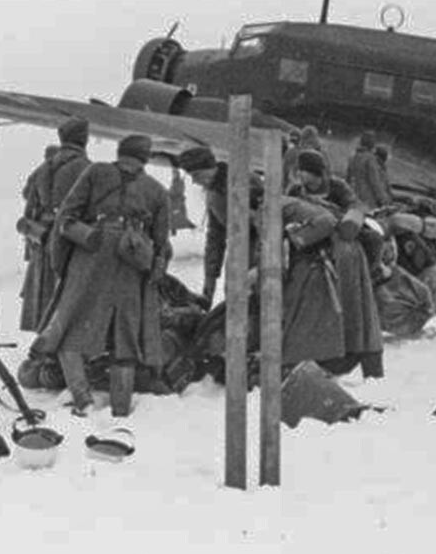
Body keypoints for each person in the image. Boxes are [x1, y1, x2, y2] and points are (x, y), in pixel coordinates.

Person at [33, 134, 171, 417]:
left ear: (119, 151)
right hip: (131, 263)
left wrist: (63, 263)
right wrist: (152, 274)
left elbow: (66, 219)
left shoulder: (94, 172)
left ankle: (83, 401)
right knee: (126, 336)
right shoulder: (157, 190)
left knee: (69, 329)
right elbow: (161, 244)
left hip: (89, 258)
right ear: (144, 159)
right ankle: (120, 409)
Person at [289, 149, 384, 378]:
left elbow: (355, 205)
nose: (302, 176)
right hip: (311, 237)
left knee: (373, 238)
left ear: (319, 173)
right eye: (300, 171)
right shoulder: (295, 191)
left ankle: (374, 271)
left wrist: (349, 221)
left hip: (341, 234)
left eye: (307, 172)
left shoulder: (337, 186)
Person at [17, 117, 92, 332]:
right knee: (72, 318)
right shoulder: (86, 168)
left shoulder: (43, 168)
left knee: (46, 313)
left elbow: (29, 209)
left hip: (42, 246)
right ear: (83, 139)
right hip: (70, 248)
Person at [179, 147, 263, 308]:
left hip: (262, 252)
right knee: (233, 302)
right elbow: (215, 238)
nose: (194, 182)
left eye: (196, 175)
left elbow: (272, 220)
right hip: (238, 254)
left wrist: (261, 262)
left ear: (210, 169)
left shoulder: (247, 181)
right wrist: (209, 284)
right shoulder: (213, 195)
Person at [346, 130, 393, 209]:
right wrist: (385, 200)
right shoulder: (370, 159)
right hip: (366, 200)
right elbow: (375, 182)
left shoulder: (353, 157)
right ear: (372, 144)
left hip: (353, 195)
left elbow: (348, 178)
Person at [167, 166, 196, 234]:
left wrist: (192, 226)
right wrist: (191, 226)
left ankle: (176, 169)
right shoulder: (173, 224)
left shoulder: (179, 224)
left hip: (175, 197)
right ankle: (176, 170)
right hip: (174, 198)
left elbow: (186, 223)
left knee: (177, 183)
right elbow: (186, 223)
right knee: (177, 183)